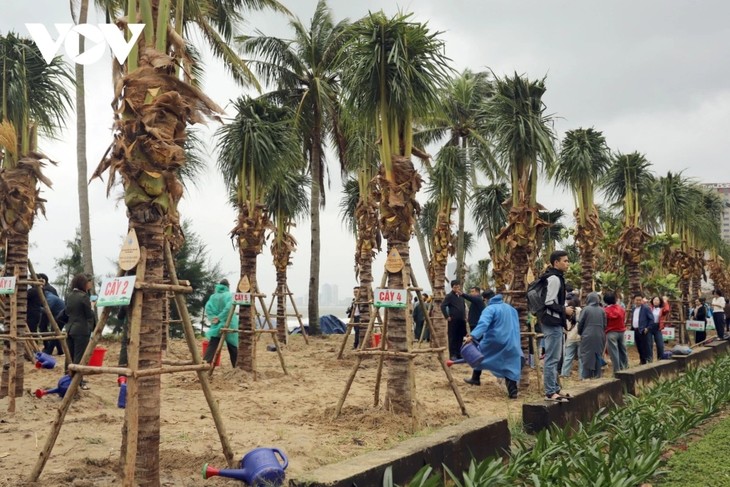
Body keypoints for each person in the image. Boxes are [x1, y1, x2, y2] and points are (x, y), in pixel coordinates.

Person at [463, 294, 522, 398]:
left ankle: (475, 378)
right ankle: (513, 393)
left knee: (479, 354)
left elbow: (483, 324)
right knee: (511, 365)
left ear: (486, 299)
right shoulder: (511, 309)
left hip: (495, 340)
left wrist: (473, 336)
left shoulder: (490, 309)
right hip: (512, 341)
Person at [538, 250, 574, 402]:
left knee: (556, 357)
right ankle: (550, 392)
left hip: (553, 322)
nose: (567, 264)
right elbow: (549, 302)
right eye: (564, 261)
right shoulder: (554, 278)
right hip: (551, 322)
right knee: (552, 358)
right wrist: (564, 310)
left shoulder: (556, 277)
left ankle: (555, 389)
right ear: (556, 262)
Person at [64, 273, 96, 389]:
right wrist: (92, 306)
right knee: (79, 356)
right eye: (89, 282)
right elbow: (88, 314)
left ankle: (67, 377)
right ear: (83, 283)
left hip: (69, 328)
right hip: (81, 329)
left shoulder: (69, 295)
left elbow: (67, 311)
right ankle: (78, 381)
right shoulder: (84, 296)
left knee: (70, 355)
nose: (90, 284)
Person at [203, 279, 239, 367]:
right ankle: (236, 366)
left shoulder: (213, 296)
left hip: (216, 324)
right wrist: (220, 317)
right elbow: (229, 308)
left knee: (213, 344)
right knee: (232, 346)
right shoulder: (229, 295)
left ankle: (205, 364)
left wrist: (214, 318)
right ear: (228, 286)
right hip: (229, 322)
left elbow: (208, 308)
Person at [578, 292, 607, 379]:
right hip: (600, 335)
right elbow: (605, 325)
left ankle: (586, 376)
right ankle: (597, 375)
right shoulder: (602, 310)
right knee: (598, 354)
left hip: (588, 335)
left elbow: (580, 323)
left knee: (587, 355)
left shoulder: (586, 309)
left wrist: (581, 333)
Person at [441, 280, 467, 360]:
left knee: (460, 337)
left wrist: (465, 317)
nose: (457, 288)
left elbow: (463, 307)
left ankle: (459, 353)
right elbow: (443, 306)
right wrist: (447, 316)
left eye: (458, 286)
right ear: (452, 287)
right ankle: (452, 355)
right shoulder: (449, 296)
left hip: (461, 320)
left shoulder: (462, 296)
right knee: (453, 337)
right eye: (455, 287)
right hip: (453, 320)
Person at [604, 292, 628, 374]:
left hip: (611, 332)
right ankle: (625, 367)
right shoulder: (621, 309)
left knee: (614, 353)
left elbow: (604, 322)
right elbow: (624, 318)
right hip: (621, 331)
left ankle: (617, 370)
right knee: (623, 350)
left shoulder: (605, 311)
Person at [560, 297, 582, 378]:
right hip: (580, 337)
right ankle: (581, 376)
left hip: (570, 337)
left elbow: (564, 329)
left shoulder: (567, 312)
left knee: (568, 357)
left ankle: (564, 374)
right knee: (581, 358)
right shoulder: (581, 311)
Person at [41, 286, 66, 355]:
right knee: (56, 332)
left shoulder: (50, 298)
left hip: (62, 316)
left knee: (54, 332)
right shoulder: (49, 295)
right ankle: (60, 351)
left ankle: (49, 351)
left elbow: (47, 309)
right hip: (59, 315)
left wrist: (37, 308)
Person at [631, 293, 654, 364]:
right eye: (637, 300)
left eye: (640, 300)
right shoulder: (634, 308)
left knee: (646, 346)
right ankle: (642, 360)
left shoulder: (646, 308)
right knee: (639, 346)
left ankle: (649, 361)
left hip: (643, 330)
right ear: (634, 300)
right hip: (635, 330)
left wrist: (647, 328)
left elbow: (651, 319)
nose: (638, 301)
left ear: (642, 300)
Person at [648, 296, 668, 361]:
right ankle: (649, 360)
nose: (655, 301)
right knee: (649, 344)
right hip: (650, 327)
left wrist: (665, 302)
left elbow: (667, 310)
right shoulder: (649, 308)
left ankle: (660, 359)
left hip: (657, 327)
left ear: (660, 302)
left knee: (660, 344)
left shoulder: (662, 309)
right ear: (652, 301)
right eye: (654, 300)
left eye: (657, 300)